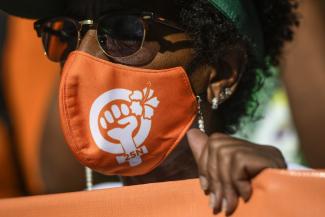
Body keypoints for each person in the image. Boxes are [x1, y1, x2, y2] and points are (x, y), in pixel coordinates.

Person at [0, 0, 298, 215]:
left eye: (125, 31)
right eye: (66, 34)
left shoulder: (282, 192)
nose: (83, 56)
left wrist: (280, 196)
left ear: (220, 72)